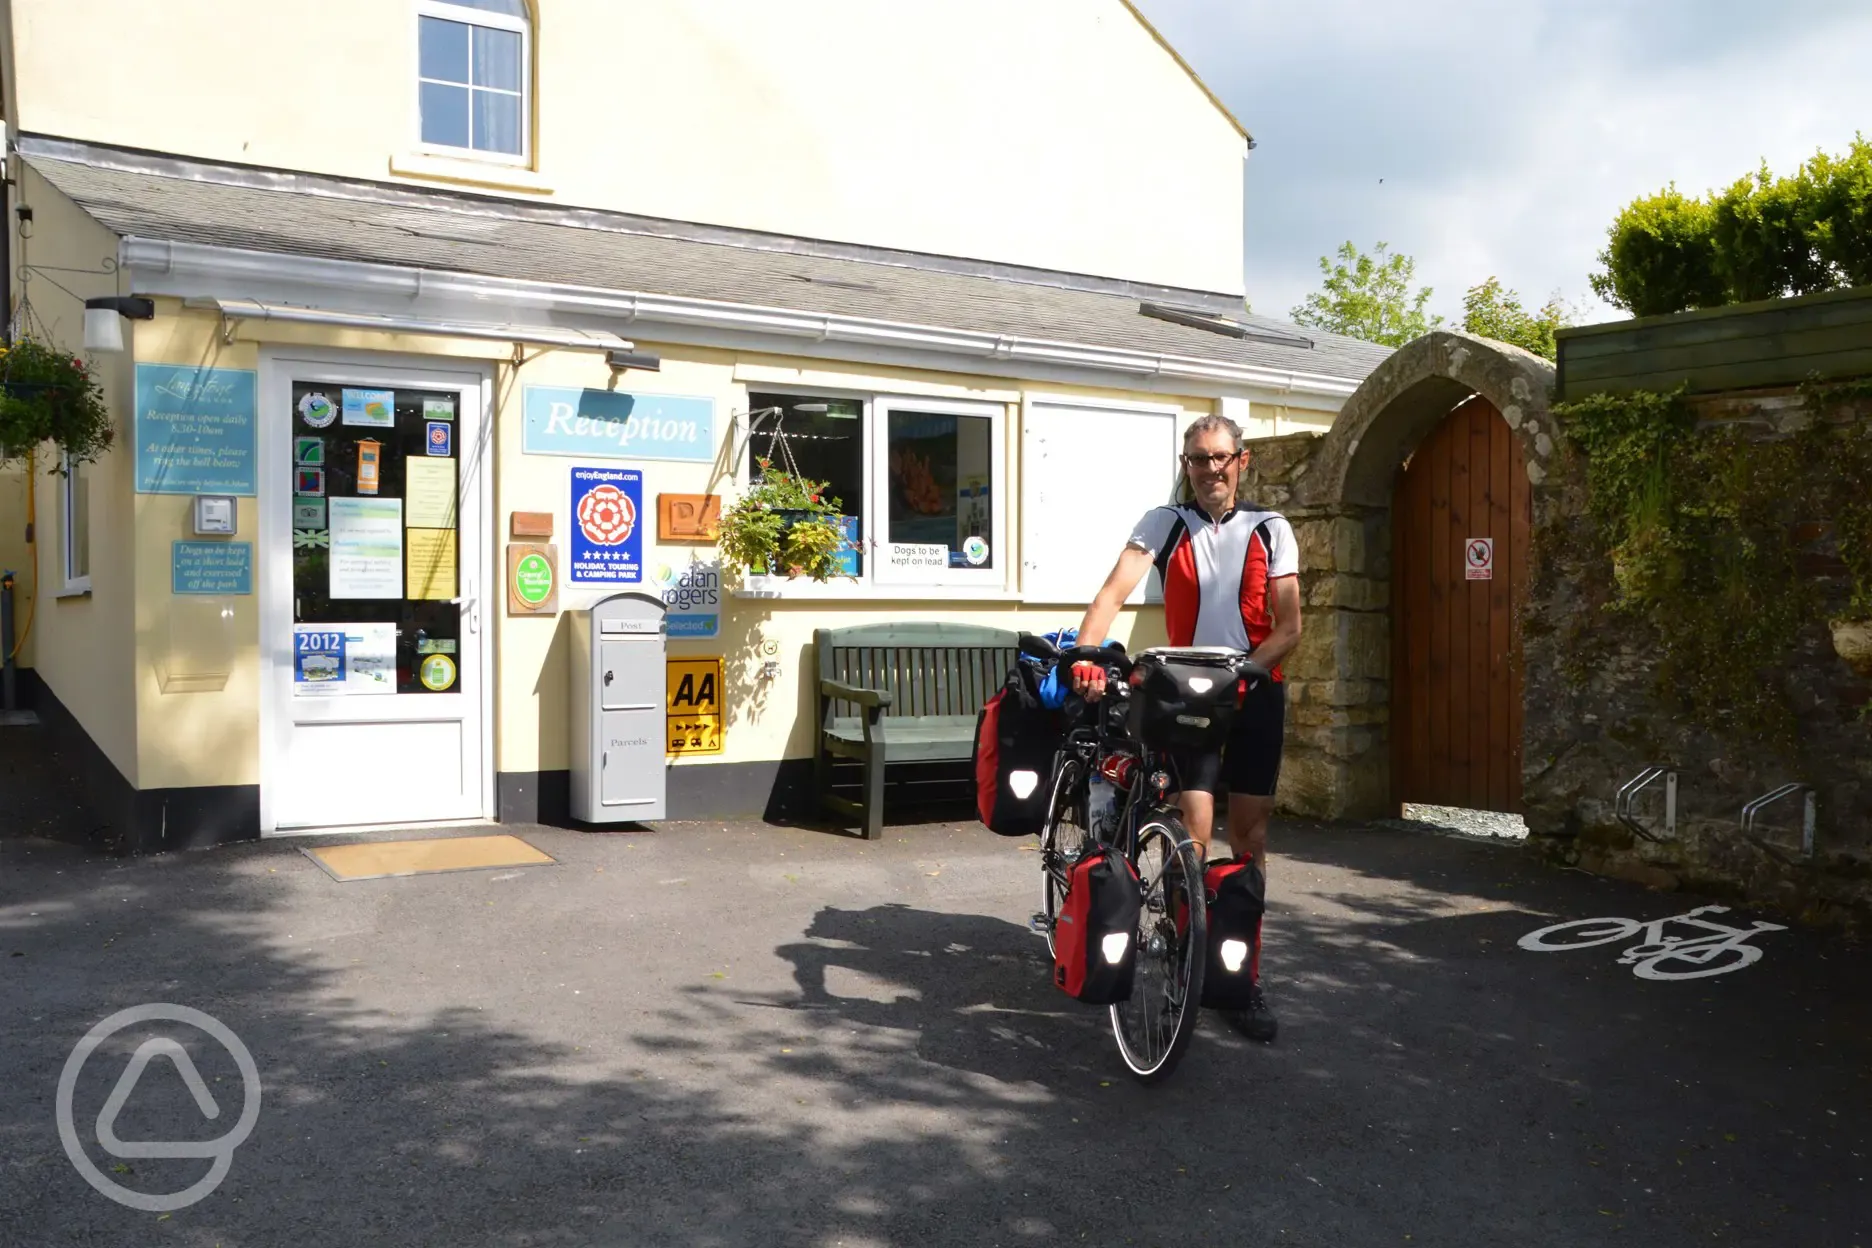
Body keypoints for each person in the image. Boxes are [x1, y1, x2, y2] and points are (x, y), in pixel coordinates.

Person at [1068, 413, 1301, 1043]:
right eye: (1198, 459)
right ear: (1186, 465)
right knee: (1191, 837)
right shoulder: (1164, 522)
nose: (1210, 470)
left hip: (1253, 692)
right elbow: (1114, 591)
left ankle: (1239, 978)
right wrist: (1087, 655)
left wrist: (1246, 674)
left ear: (1241, 461)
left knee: (1249, 839)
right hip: (1186, 696)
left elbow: (1289, 627)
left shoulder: (1271, 529)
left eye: (1221, 457)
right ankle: (1184, 961)